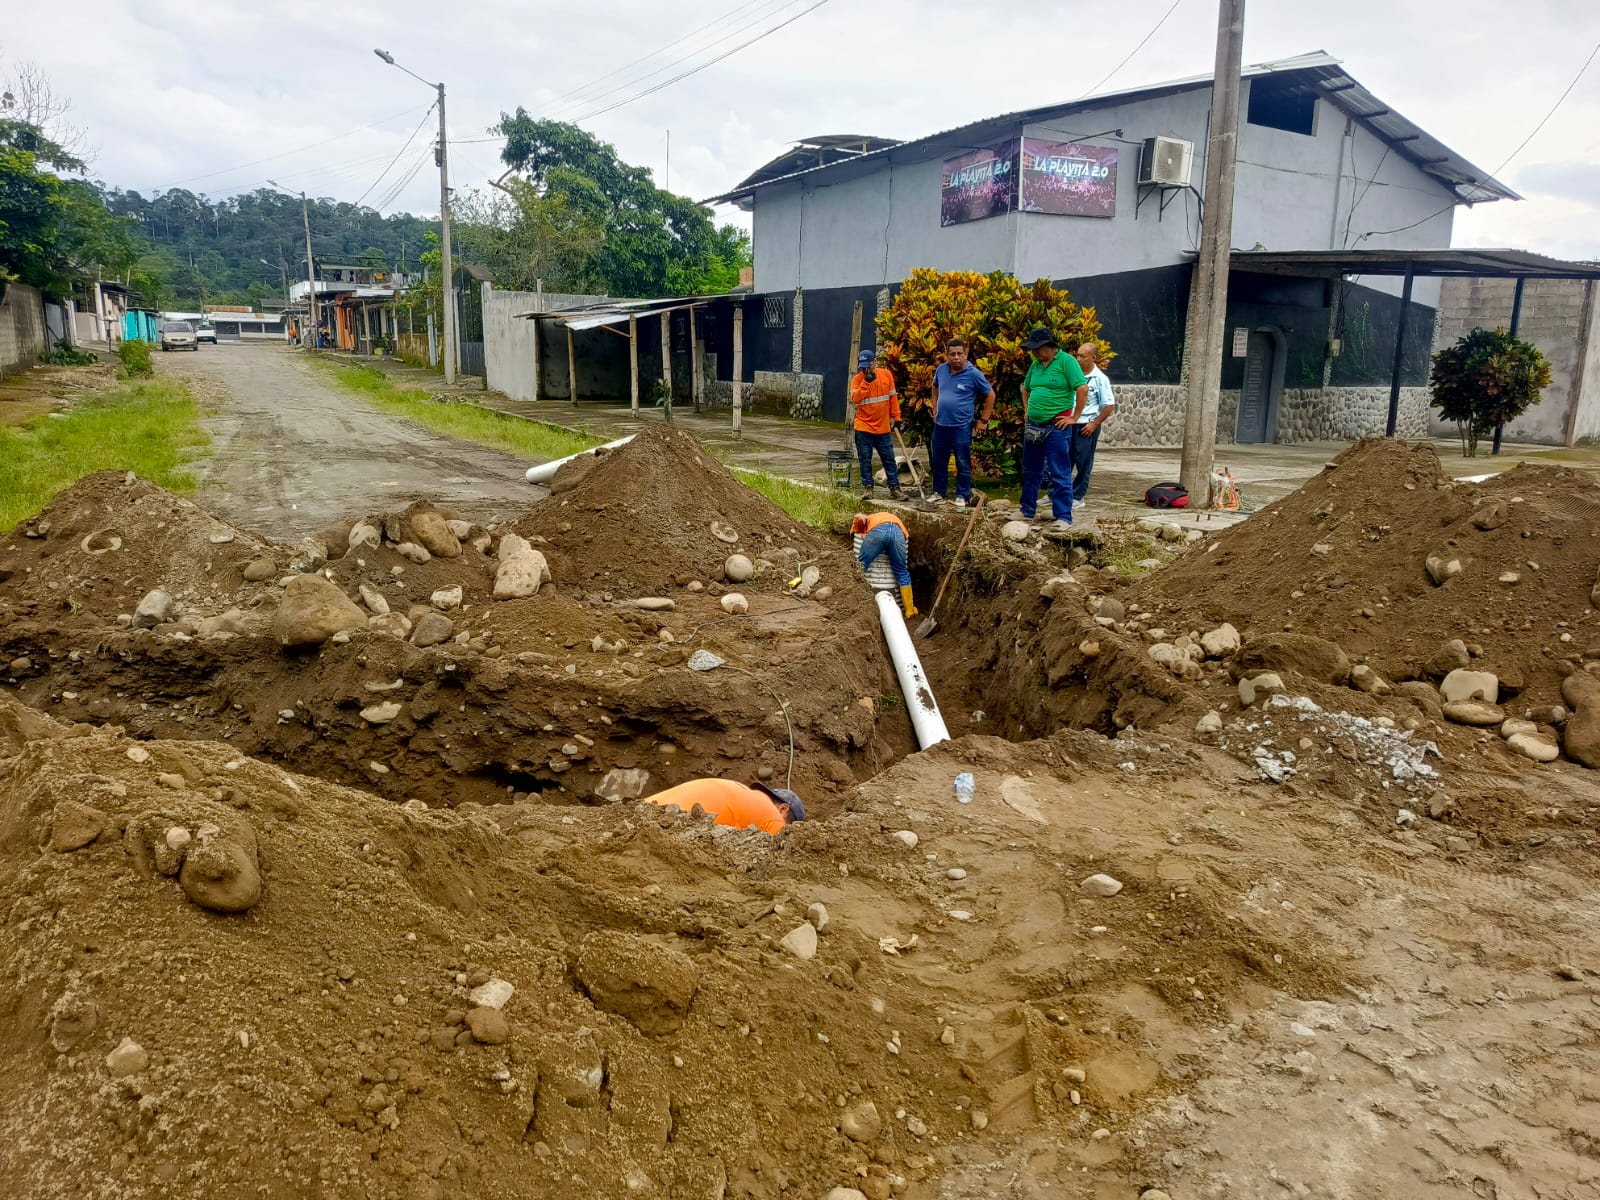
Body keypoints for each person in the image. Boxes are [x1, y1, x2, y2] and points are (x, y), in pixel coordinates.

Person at [1018, 327, 1088, 533]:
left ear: (1049, 346)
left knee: (1059, 472)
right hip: (1034, 425)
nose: (1034, 352)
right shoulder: (1035, 364)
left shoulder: (1067, 362)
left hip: (1057, 425)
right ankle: (1027, 510)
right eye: (1032, 349)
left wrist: (1074, 417)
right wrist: (1026, 410)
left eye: (1037, 348)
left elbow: (1082, 388)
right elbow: (1026, 388)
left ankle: (1063, 516)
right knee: (1031, 469)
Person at [929, 338, 995, 508]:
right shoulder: (941, 370)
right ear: (947, 355)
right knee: (939, 462)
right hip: (941, 425)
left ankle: (962, 495)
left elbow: (990, 395)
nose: (956, 357)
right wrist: (935, 406)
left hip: (961, 426)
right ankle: (939, 492)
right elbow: (935, 386)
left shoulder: (973, 374)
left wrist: (983, 420)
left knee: (962, 462)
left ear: (966, 354)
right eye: (952, 354)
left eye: (960, 354)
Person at [645, 778, 806, 834]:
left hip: (642, 811)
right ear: (782, 809)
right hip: (666, 830)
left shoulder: (738, 790)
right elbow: (781, 853)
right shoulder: (772, 815)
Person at [849, 349, 904, 501]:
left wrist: (896, 416)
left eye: (869, 365)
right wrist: (866, 382)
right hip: (863, 427)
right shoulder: (857, 380)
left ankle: (895, 488)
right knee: (865, 459)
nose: (866, 369)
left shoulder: (886, 375)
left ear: (875, 362)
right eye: (863, 367)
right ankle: (868, 487)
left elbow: (893, 397)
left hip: (882, 427)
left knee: (889, 459)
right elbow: (856, 399)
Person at [1070, 342, 1116, 506]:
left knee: (1083, 462)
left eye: (1082, 356)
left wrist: (1094, 424)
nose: (1078, 359)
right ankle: (1055, 494)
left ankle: (1077, 496)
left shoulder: (1100, 379)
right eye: (1077, 355)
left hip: (1086, 425)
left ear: (1093, 358)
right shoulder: (1073, 374)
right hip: (1069, 422)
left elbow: (1109, 405)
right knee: (1063, 460)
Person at [853, 511, 917, 619]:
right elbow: (905, 535)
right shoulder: (884, 517)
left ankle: (856, 602)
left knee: (861, 565)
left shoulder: (865, 520)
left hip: (878, 532)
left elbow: (859, 528)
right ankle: (910, 611)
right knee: (901, 571)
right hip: (898, 533)